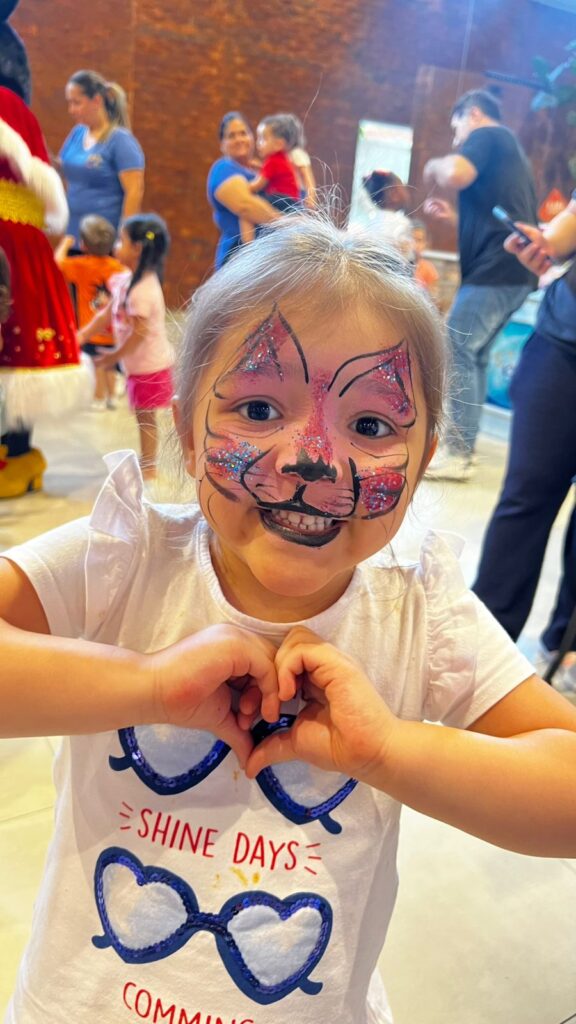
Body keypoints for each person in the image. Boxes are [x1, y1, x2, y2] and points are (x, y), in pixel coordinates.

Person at [2, 216, 576, 1023]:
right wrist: (147, 684)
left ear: (420, 465)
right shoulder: (123, 562)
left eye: (370, 426)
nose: (311, 459)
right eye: (260, 408)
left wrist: (389, 750)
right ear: (187, 433)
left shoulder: (420, 613)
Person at [473, 195, 576, 690]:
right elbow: (566, 228)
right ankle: (481, 646)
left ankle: (565, 645)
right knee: (526, 496)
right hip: (564, 341)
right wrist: (546, 243)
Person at [0, 0, 91, 499]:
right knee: (18, 364)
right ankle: (19, 453)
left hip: (8, 243)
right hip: (25, 244)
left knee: (10, 357)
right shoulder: (23, 111)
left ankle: (15, 457)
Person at [423, 89, 538, 481]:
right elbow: (492, 220)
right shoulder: (507, 148)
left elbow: (456, 173)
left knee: (457, 346)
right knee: (474, 354)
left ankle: (458, 452)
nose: (457, 139)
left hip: (497, 269)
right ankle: (463, 448)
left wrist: (434, 164)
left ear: (472, 114)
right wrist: (454, 219)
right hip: (510, 270)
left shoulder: (488, 135)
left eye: (456, 128)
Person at [78, 213, 173, 479]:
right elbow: (106, 314)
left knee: (146, 417)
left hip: (149, 365)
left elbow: (138, 335)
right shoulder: (125, 280)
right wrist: (81, 335)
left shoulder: (144, 290)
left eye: (121, 241)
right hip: (136, 364)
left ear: (137, 249)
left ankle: (150, 465)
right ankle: (148, 462)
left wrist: (113, 357)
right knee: (142, 414)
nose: (116, 247)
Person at [60, 69, 145, 247]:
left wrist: (125, 238)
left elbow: (134, 191)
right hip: (74, 235)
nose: (71, 110)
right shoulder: (77, 133)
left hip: (103, 241)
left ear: (96, 101)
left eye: (77, 103)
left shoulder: (120, 140)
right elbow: (64, 168)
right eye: (69, 103)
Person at [55, 215, 125, 409]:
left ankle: (99, 398)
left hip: (92, 330)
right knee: (109, 364)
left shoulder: (80, 265)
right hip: (115, 329)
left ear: (83, 244)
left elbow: (57, 264)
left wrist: (64, 244)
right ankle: (112, 396)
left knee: (96, 365)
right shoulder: (118, 266)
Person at [207, 111, 281, 269]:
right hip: (240, 259)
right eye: (231, 136)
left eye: (243, 133)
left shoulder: (261, 171)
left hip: (270, 257)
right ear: (222, 145)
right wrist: (289, 223)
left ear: (252, 137)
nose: (239, 139)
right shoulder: (223, 168)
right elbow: (246, 206)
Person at [241, 114, 302, 243]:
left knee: (246, 211)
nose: (258, 143)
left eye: (263, 139)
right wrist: (260, 167)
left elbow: (257, 185)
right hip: (291, 202)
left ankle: (247, 246)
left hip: (280, 199)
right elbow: (274, 176)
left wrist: (244, 187)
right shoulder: (283, 159)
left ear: (279, 144)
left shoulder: (272, 161)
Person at [360, 169, 414, 256]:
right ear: (393, 193)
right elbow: (407, 256)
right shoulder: (402, 223)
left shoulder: (371, 221)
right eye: (403, 187)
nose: (406, 193)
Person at [285, 112, 317, 209]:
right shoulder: (286, 155)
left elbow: (308, 177)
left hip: (298, 194)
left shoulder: (297, 153)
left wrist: (311, 198)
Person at [410, 218, 440, 303]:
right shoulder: (397, 265)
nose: (414, 244)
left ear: (425, 244)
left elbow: (434, 298)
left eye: (419, 240)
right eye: (411, 239)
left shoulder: (429, 269)